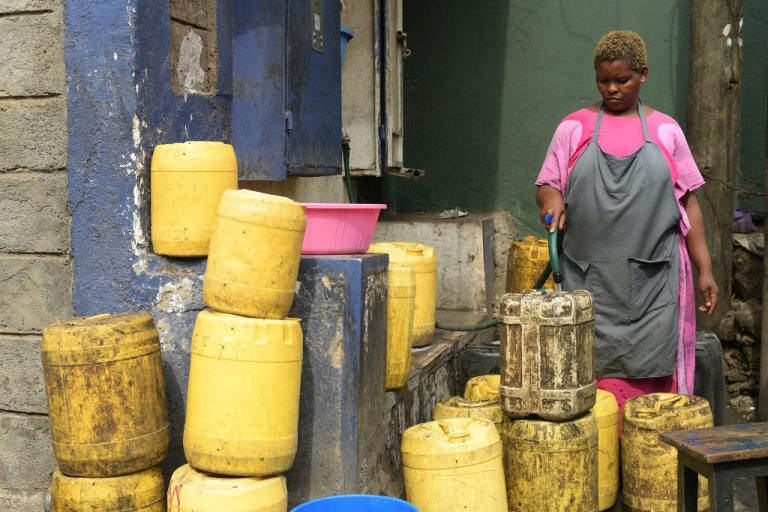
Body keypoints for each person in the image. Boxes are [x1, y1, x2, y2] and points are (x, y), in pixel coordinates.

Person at [534, 30, 719, 416]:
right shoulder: (574, 127)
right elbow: (549, 183)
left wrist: (705, 268)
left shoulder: (667, 131)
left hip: (654, 285)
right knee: (589, 380)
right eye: (604, 80)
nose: (612, 89)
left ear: (644, 75)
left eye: (623, 80)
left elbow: (689, 204)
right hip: (589, 279)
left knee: (652, 398)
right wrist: (552, 202)